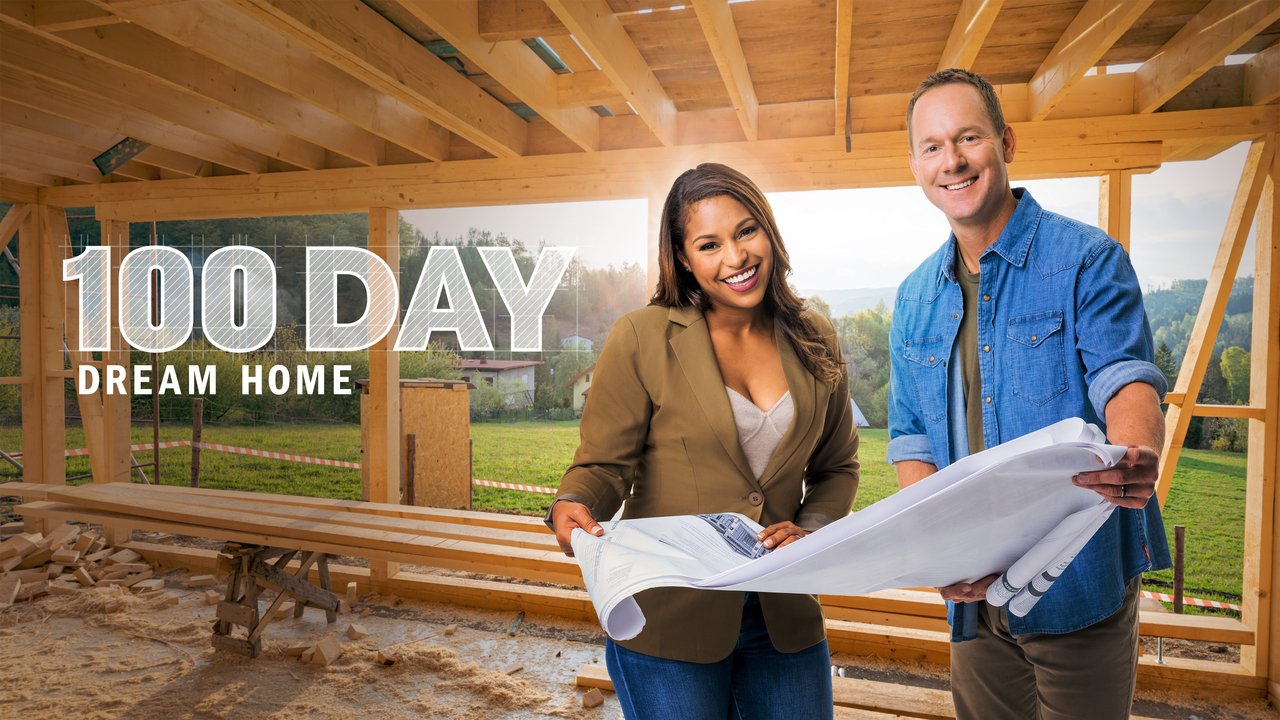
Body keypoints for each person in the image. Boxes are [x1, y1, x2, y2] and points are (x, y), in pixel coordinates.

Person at [886, 68, 1171, 719]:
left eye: (968, 138)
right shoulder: (914, 298)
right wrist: (937, 548)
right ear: (915, 165)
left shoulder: (1087, 259)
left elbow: (1126, 380)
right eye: (932, 147)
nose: (952, 161)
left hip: (1079, 581)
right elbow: (913, 438)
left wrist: (1133, 454)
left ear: (1005, 142)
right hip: (975, 596)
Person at [549, 162, 859, 719]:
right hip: (669, 621)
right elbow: (604, 465)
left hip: (783, 616)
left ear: (769, 231)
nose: (736, 258)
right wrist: (575, 501)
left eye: (745, 231)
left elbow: (838, 468)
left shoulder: (816, 337)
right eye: (709, 244)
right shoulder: (642, 336)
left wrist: (810, 532)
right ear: (684, 258)